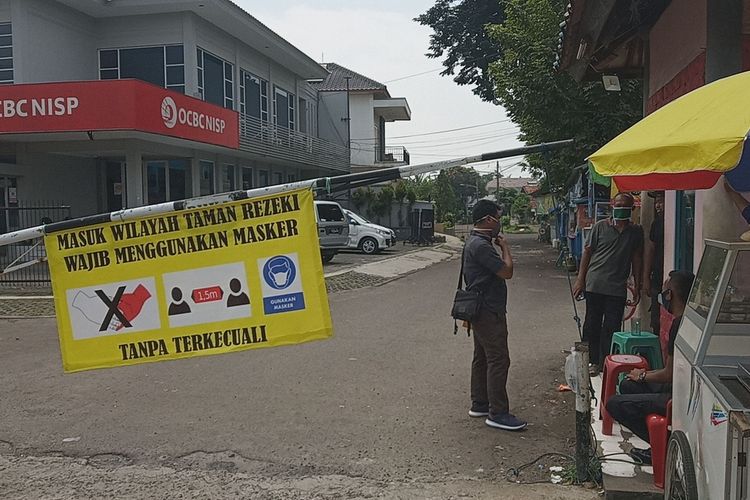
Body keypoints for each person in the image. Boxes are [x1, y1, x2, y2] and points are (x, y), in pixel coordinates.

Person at [605, 270, 694, 465]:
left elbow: (668, 374)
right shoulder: (689, 319)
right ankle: (657, 442)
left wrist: (643, 376)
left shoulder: (680, 324)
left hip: (677, 396)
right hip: (677, 387)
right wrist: (640, 375)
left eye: (665, 291)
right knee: (628, 386)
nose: (662, 296)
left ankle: (662, 449)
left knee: (614, 404)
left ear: (670, 295)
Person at [463, 199, 526, 431]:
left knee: (482, 357)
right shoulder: (481, 246)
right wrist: (506, 248)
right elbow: (507, 272)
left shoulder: (474, 241)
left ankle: (480, 403)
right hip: (489, 309)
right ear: (489, 220)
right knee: (499, 358)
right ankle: (498, 412)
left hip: (479, 308)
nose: (500, 222)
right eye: (498, 218)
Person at [572, 193, 643, 375]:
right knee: (591, 324)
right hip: (595, 284)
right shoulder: (600, 227)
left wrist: (637, 284)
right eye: (617, 205)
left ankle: (607, 362)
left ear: (632, 209)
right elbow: (587, 253)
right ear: (612, 206)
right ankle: (590, 362)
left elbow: (636, 257)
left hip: (617, 288)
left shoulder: (635, 231)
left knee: (612, 327)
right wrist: (580, 280)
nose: (620, 208)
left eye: (625, 206)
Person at [642, 191, 665, 334]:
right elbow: (650, 249)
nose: (658, 206)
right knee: (657, 319)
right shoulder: (656, 224)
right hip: (657, 278)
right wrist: (645, 278)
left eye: (661, 201)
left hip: (676, 279)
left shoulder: (684, 220)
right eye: (656, 202)